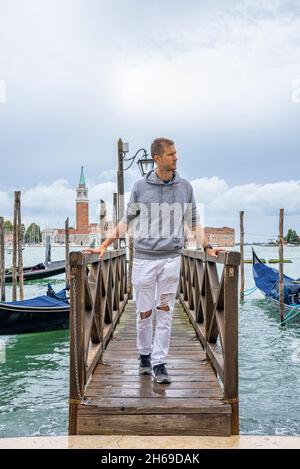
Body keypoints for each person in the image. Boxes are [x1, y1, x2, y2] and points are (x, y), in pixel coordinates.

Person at [84, 137, 224, 384]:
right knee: (144, 313)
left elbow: (193, 221)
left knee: (166, 312)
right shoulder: (140, 187)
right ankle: (144, 355)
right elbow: (126, 221)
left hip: (172, 258)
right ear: (157, 158)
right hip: (144, 259)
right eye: (170, 154)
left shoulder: (185, 187)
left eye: (176, 153)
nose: (176, 157)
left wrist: (208, 247)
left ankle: (160, 362)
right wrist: (105, 244)